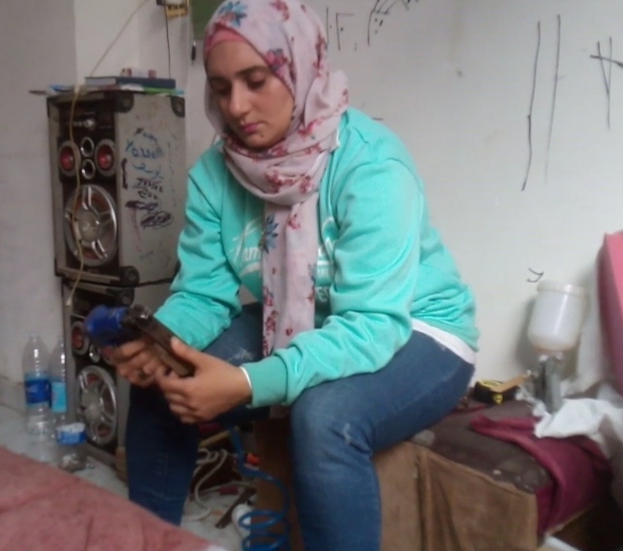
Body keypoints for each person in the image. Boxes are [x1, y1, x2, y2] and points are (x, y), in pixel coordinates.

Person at [110, 0, 479, 549]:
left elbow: (372, 324)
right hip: (303, 317)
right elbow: (203, 293)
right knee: (164, 380)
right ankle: (146, 542)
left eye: (256, 81)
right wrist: (162, 339)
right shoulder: (216, 174)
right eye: (221, 88)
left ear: (301, 68)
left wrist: (247, 383)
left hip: (416, 328)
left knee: (323, 418)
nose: (237, 107)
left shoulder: (372, 167)